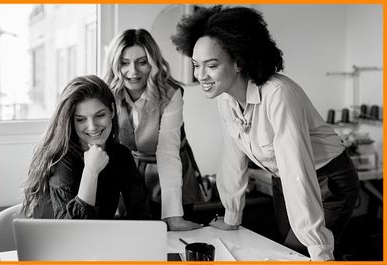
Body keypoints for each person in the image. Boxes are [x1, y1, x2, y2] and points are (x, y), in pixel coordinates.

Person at [172, 5, 359, 261]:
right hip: (283, 181)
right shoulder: (225, 99)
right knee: (286, 250)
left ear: (238, 61)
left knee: (300, 253)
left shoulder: (278, 94)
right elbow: (233, 157)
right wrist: (231, 216)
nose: (200, 75)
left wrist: (320, 250)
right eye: (196, 65)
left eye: (211, 65)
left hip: (327, 180)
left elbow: (297, 169)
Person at [103, 28, 204, 231]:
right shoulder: (107, 93)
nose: (133, 72)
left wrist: (173, 216)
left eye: (142, 62)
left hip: (172, 176)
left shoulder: (170, 94)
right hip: (130, 174)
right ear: (115, 65)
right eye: (124, 63)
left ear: (153, 62)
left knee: (172, 243)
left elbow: (167, 153)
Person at [22, 75, 151, 220]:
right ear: (71, 121)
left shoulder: (121, 155)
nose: (92, 126)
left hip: (97, 239)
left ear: (112, 111)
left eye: (100, 115)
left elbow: (141, 214)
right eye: (81, 119)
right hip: (56, 241)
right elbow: (72, 232)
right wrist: (91, 171)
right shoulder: (61, 159)